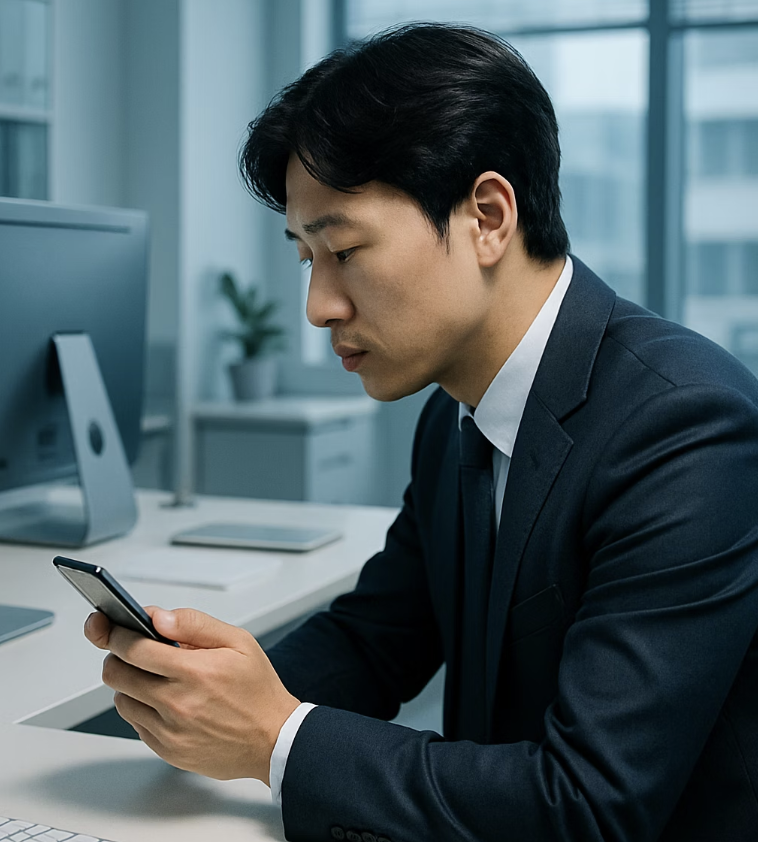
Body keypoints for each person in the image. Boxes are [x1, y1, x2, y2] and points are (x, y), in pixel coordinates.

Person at [84, 23, 758, 842]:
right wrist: (200, 689)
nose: (319, 307)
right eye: (306, 258)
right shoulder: (455, 414)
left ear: (486, 216)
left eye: (344, 250)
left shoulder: (685, 427)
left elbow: (589, 804)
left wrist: (273, 738)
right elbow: (378, 640)